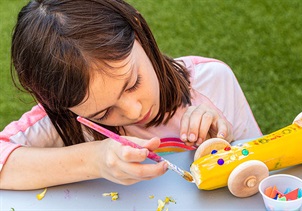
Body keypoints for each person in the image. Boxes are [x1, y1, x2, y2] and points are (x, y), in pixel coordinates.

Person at [0, 0, 262, 190]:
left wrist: (228, 143)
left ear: (138, 30)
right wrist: (94, 160)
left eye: (133, 83)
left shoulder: (213, 82)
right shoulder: (58, 124)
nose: (135, 111)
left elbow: (267, 167)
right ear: (59, 107)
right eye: (102, 113)